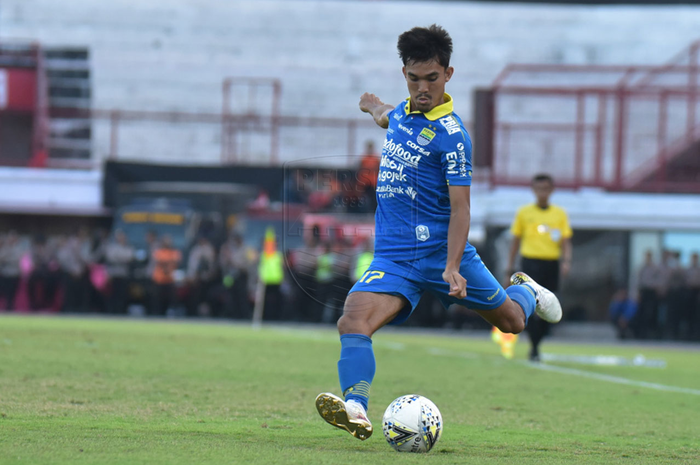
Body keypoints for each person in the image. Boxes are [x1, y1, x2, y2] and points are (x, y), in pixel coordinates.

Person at [315, 25, 562, 441]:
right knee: (352, 320)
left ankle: (525, 290)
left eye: (432, 78)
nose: (423, 88)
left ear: (449, 73)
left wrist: (451, 266)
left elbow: (462, 208)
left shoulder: (453, 137)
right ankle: (356, 407)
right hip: (394, 258)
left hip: (444, 255)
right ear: (405, 74)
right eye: (414, 78)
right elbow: (386, 117)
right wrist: (372, 106)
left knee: (512, 323)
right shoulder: (401, 116)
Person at [505, 173, 572, 361]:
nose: (542, 193)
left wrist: (566, 261)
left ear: (551, 190)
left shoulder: (559, 214)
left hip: (551, 263)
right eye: (538, 189)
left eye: (545, 189)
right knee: (531, 306)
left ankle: (538, 342)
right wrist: (509, 267)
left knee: (550, 306)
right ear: (533, 190)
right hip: (530, 263)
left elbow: (566, 241)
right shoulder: (524, 213)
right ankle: (534, 345)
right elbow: (515, 241)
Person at [150, 235, 182, 316]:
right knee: (157, 300)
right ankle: (157, 314)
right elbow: (160, 262)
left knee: (172, 299)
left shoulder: (174, 252)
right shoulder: (158, 252)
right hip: (159, 280)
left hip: (170, 279)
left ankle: (172, 313)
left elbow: (177, 262)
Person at [105, 229, 135, 314]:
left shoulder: (128, 247)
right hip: (114, 274)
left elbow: (129, 258)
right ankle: (112, 311)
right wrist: (122, 258)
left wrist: (119, 257)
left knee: (123, 295)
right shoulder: (112, 247)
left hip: (123, 274)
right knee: (113, 294)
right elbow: (111, 258)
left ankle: (121, 311)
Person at [187, 236, 217, 317]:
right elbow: (192, 264)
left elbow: (211, 265)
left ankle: (206, 314)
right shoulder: (195, 249)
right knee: (195, 297)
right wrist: (192, 275)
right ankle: (193, 314)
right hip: (196, 278)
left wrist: (209, 274)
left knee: (207, 298)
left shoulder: (209, 249)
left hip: (207, 278)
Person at [637, 250, 661, 339]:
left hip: (652, 292)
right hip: (644, 291)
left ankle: (652, 333)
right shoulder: (642, 268)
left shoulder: (655, 268)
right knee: (643, 313)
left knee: (652, 312)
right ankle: (642, 333)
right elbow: (639, 281)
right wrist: (638, 293)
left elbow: (658, 280)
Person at [0, 231, 23, 311]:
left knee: (12, 292)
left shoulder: (19, 248)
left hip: (14, 274)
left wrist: (7, 259)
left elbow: (17, 259)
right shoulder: (4, 248)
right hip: (4, 274)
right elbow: (1, 258)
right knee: (4, 291)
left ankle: (10, 306)